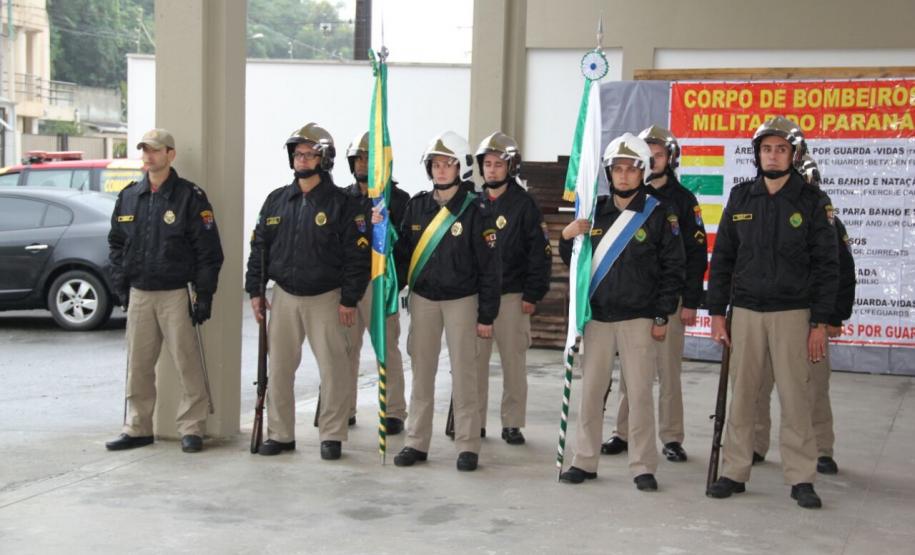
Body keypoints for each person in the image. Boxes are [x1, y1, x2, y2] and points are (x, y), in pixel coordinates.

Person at [706, 116, 838, 509]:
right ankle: (734, 470)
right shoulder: (741, 197)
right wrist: (717, 313)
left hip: (793, 314)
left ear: (794, 154)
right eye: (767, 148)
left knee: (796, 397)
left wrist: (819, 322)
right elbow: (724, 258)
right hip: (745, 311)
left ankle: (801, 478)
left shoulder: (813, 202)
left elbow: (827, 265)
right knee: (743, 394)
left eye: (781, 149)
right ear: (757, 153)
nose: (773, 155)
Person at [558, 133, 685, 491]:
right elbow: (576, 264)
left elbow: (673, 267)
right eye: (618, 169)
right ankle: (584, 460)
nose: (624, 175)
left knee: (640, 394)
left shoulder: (660, 213)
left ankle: (643, 466)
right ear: (608, 172)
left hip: (639, 319)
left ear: (643, 171)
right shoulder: (594, 211)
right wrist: (566, 238)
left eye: (632, 169)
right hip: (597, 318)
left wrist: (662, 315)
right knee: (592, 392)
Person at [244, 123, 370, 460]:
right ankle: (280, 434)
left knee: (334, 369)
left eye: (309, 154)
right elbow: (259, 248)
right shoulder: (276, 201)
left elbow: (358, 256)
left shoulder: (343, 204)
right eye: (297, 154)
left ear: (324, 158)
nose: (302, 160)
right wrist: (255, 291)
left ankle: (332, 434)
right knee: (280, 368)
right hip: (284, 296)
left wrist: (349, 298)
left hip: (327, 298)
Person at [106, 128, 224, 454]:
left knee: (188, 364)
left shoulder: (190, 197)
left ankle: (192, 428)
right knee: (139, 367)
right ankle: (138, 427)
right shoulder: (129, 196)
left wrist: (204, 295)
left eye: (155, 150)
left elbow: (209, 253)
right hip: (140, 293)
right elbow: (116, 244)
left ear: (170, 155)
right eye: (145, 149)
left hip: (176, 293)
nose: (149, 155)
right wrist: (121, 286)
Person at [388, 131, 501, 472]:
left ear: (462, 167)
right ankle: (416, 442)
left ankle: (467, 444)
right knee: (422, 371)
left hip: (462, 302)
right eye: (435, 164)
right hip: (423, 301)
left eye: (447, 164)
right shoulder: (417, 206)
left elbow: (490, 268)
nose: (440, 170)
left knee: (465, 374)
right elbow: (403, 257)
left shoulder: (477, 210)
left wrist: (486, 315)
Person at [601, 126, 707, 462]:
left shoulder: (684, 201)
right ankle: (623, 431)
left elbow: (694, 255)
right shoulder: (631, 196)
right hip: (634, 302)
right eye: (648, 154)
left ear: (670, 158)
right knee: (631, 373)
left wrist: (690, 301)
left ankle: (671, 436)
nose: (652, 159)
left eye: (658, 154)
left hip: (669, 299)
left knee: (667, 370)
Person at [752, 154, 856, 475]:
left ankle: (821, 448)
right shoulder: (762, 214)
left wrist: (834, 318)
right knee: (758, 383)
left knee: (813, 386)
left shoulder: (828, 222)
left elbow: (842, 272)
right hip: (767, 313)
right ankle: (755, 444)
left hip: (813, 318)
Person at [473, 132, 551, 446]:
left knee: (513, 364)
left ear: (511, 167)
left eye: (498, 164)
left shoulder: (525, 205)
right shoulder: (472, 203)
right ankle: (473, 420)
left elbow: (540, 253)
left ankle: (512, 423)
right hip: (476, 299)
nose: (492, 170)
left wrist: (533, 294)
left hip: (512, 297)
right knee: (474, 363)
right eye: (487, 164)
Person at [341, 131, 410, 434]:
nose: (361, 164)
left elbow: (408, 248)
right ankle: (342, 407)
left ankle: (393, 410)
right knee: (343, 348)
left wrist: (396, 282)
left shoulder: (400, 200)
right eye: (357, 158)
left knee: (387, 350)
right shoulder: (342, 199)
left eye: (368, 158)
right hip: (347, 286)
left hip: (380, 284)